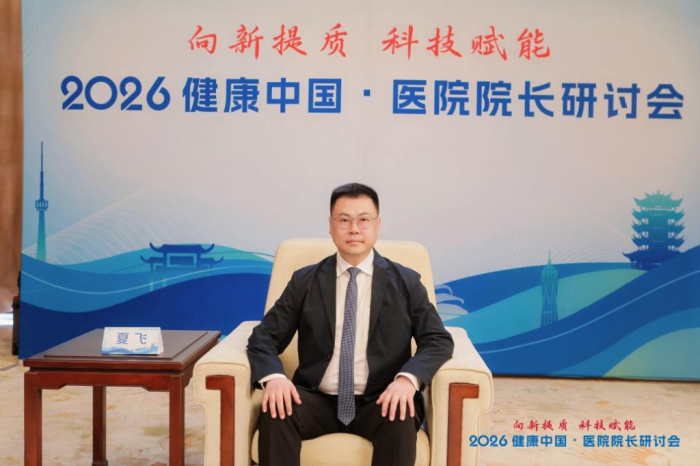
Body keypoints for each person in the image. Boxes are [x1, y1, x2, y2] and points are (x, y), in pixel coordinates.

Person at [247, 183, 454, 466]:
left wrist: (407, 380)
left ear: (377, 225)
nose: (354, 229)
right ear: (331, 226)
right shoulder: (304, 281)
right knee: (277, 410)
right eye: (344, 220)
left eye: (363, 220)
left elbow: (437, 339)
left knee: (401, 411)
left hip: (382, 398)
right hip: (317, 399)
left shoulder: (406, 282)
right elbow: (264, 337)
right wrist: (274, 378)